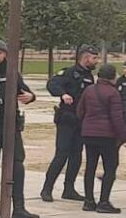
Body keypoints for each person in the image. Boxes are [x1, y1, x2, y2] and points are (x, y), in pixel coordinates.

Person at [0, 39, 38, 218]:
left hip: (11, 127)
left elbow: (26, 93)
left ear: (5, 54)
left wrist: (31, 97)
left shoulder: (12, 72)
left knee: (17, 165)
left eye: (0, 53)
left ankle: (19, 208)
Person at [42, 45, 99, 202]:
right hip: (66, 120)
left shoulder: (89, 76)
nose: (96, 61)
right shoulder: (68, 72)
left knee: (76, 156)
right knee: (62, 154)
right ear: (86, 58)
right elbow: (52, 84)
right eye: (94, 58)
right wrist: (63, 94)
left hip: (80, 121)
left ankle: (69, 188)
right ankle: (47, 189)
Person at [77, 63, 126, 213]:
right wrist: (123, 135)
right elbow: (116, 118)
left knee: (90, 167)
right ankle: (104, 201)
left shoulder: (89, 90)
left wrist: (87, 124)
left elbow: (80, 111)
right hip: (107, 135)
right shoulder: (113, 93)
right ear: (112, 77)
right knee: (110, 167)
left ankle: (88, 200)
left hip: (89, 133)